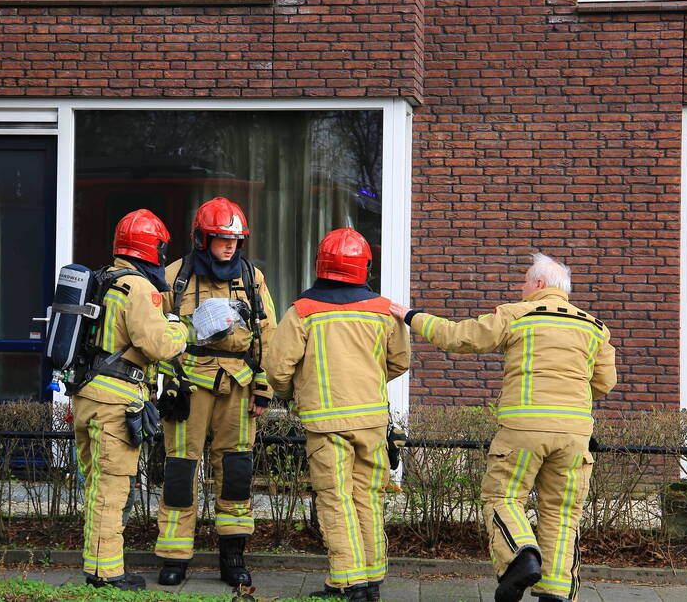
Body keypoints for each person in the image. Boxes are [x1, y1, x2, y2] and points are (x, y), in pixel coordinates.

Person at [389, 253, 616, 602]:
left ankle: (521, 558)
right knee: (562, 514)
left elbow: (458, 337)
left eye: (525, 281)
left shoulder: (515, 314)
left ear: (539, 284)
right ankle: (555, 594)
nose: (521, 287)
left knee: (504, 496)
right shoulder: (595, 327)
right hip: (575, 435)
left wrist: (410, 315)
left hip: (523, 429)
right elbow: (604, 383)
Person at [264, 228, 411, 602]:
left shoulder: (303, 311)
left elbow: (278, 369)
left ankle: (349, 582)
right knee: (367, 497)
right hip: (373, 422)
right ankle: (372, 580)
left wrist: (294, 393)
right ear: (365, 267)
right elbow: (399, 362)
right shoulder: (384, 310)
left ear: (321, 265)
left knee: (335, 498)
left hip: (326, 424)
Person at [154, 196, 277, 588]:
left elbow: (268, 335)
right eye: (221, 238)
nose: (229, 246)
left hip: (238, 385)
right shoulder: (175, 275)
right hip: (188, 383)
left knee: (236, 471)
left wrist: (264, 385)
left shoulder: (252, 278)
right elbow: (156, 333)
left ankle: (233, 555)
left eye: (235, 240)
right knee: (180, 469)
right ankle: (174, 556)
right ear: (201, 238)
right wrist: (165, 381)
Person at [72, 209, 189, 590]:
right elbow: (157, 345)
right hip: (115, 403)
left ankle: (95, 565)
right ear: (154, 248)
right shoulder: (139, 288)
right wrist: (181, 329)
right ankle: (106, 574)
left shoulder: (105, 278)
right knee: (112, 489)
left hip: (87, 395)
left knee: (96, 487)